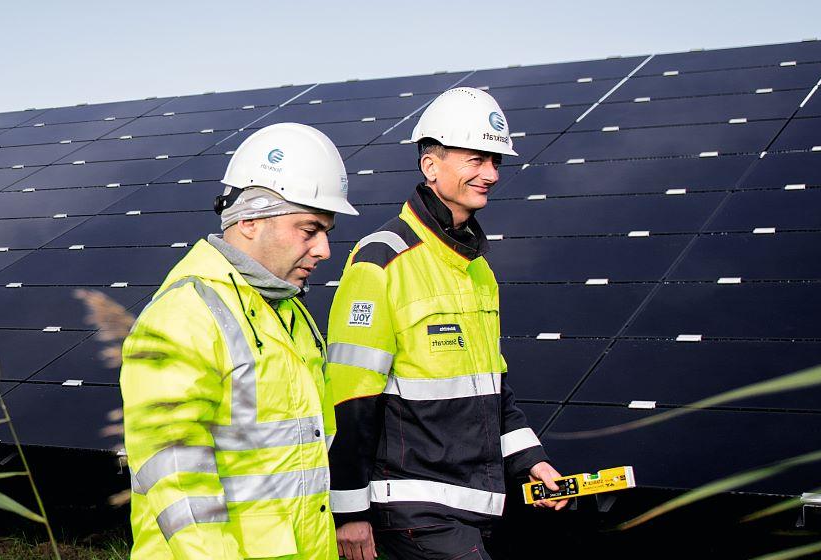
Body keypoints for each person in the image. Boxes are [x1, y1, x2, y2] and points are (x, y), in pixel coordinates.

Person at [325, 87, 570, 560]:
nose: (491, 174)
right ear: (430, 165)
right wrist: (350, 512)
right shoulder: (381, 262)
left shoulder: (476, 266)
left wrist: (532, 462)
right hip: (411, 510)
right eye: (476, 159)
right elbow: (351, 398)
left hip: (472, 503)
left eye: (496, 161)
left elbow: (492, 387)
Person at [120, 122, 357, 559]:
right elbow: (179, 480)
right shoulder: (184, 315)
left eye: (327, 232)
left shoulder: (289, 312)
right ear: (248, 220)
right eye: (309, 230)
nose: (324, 250)